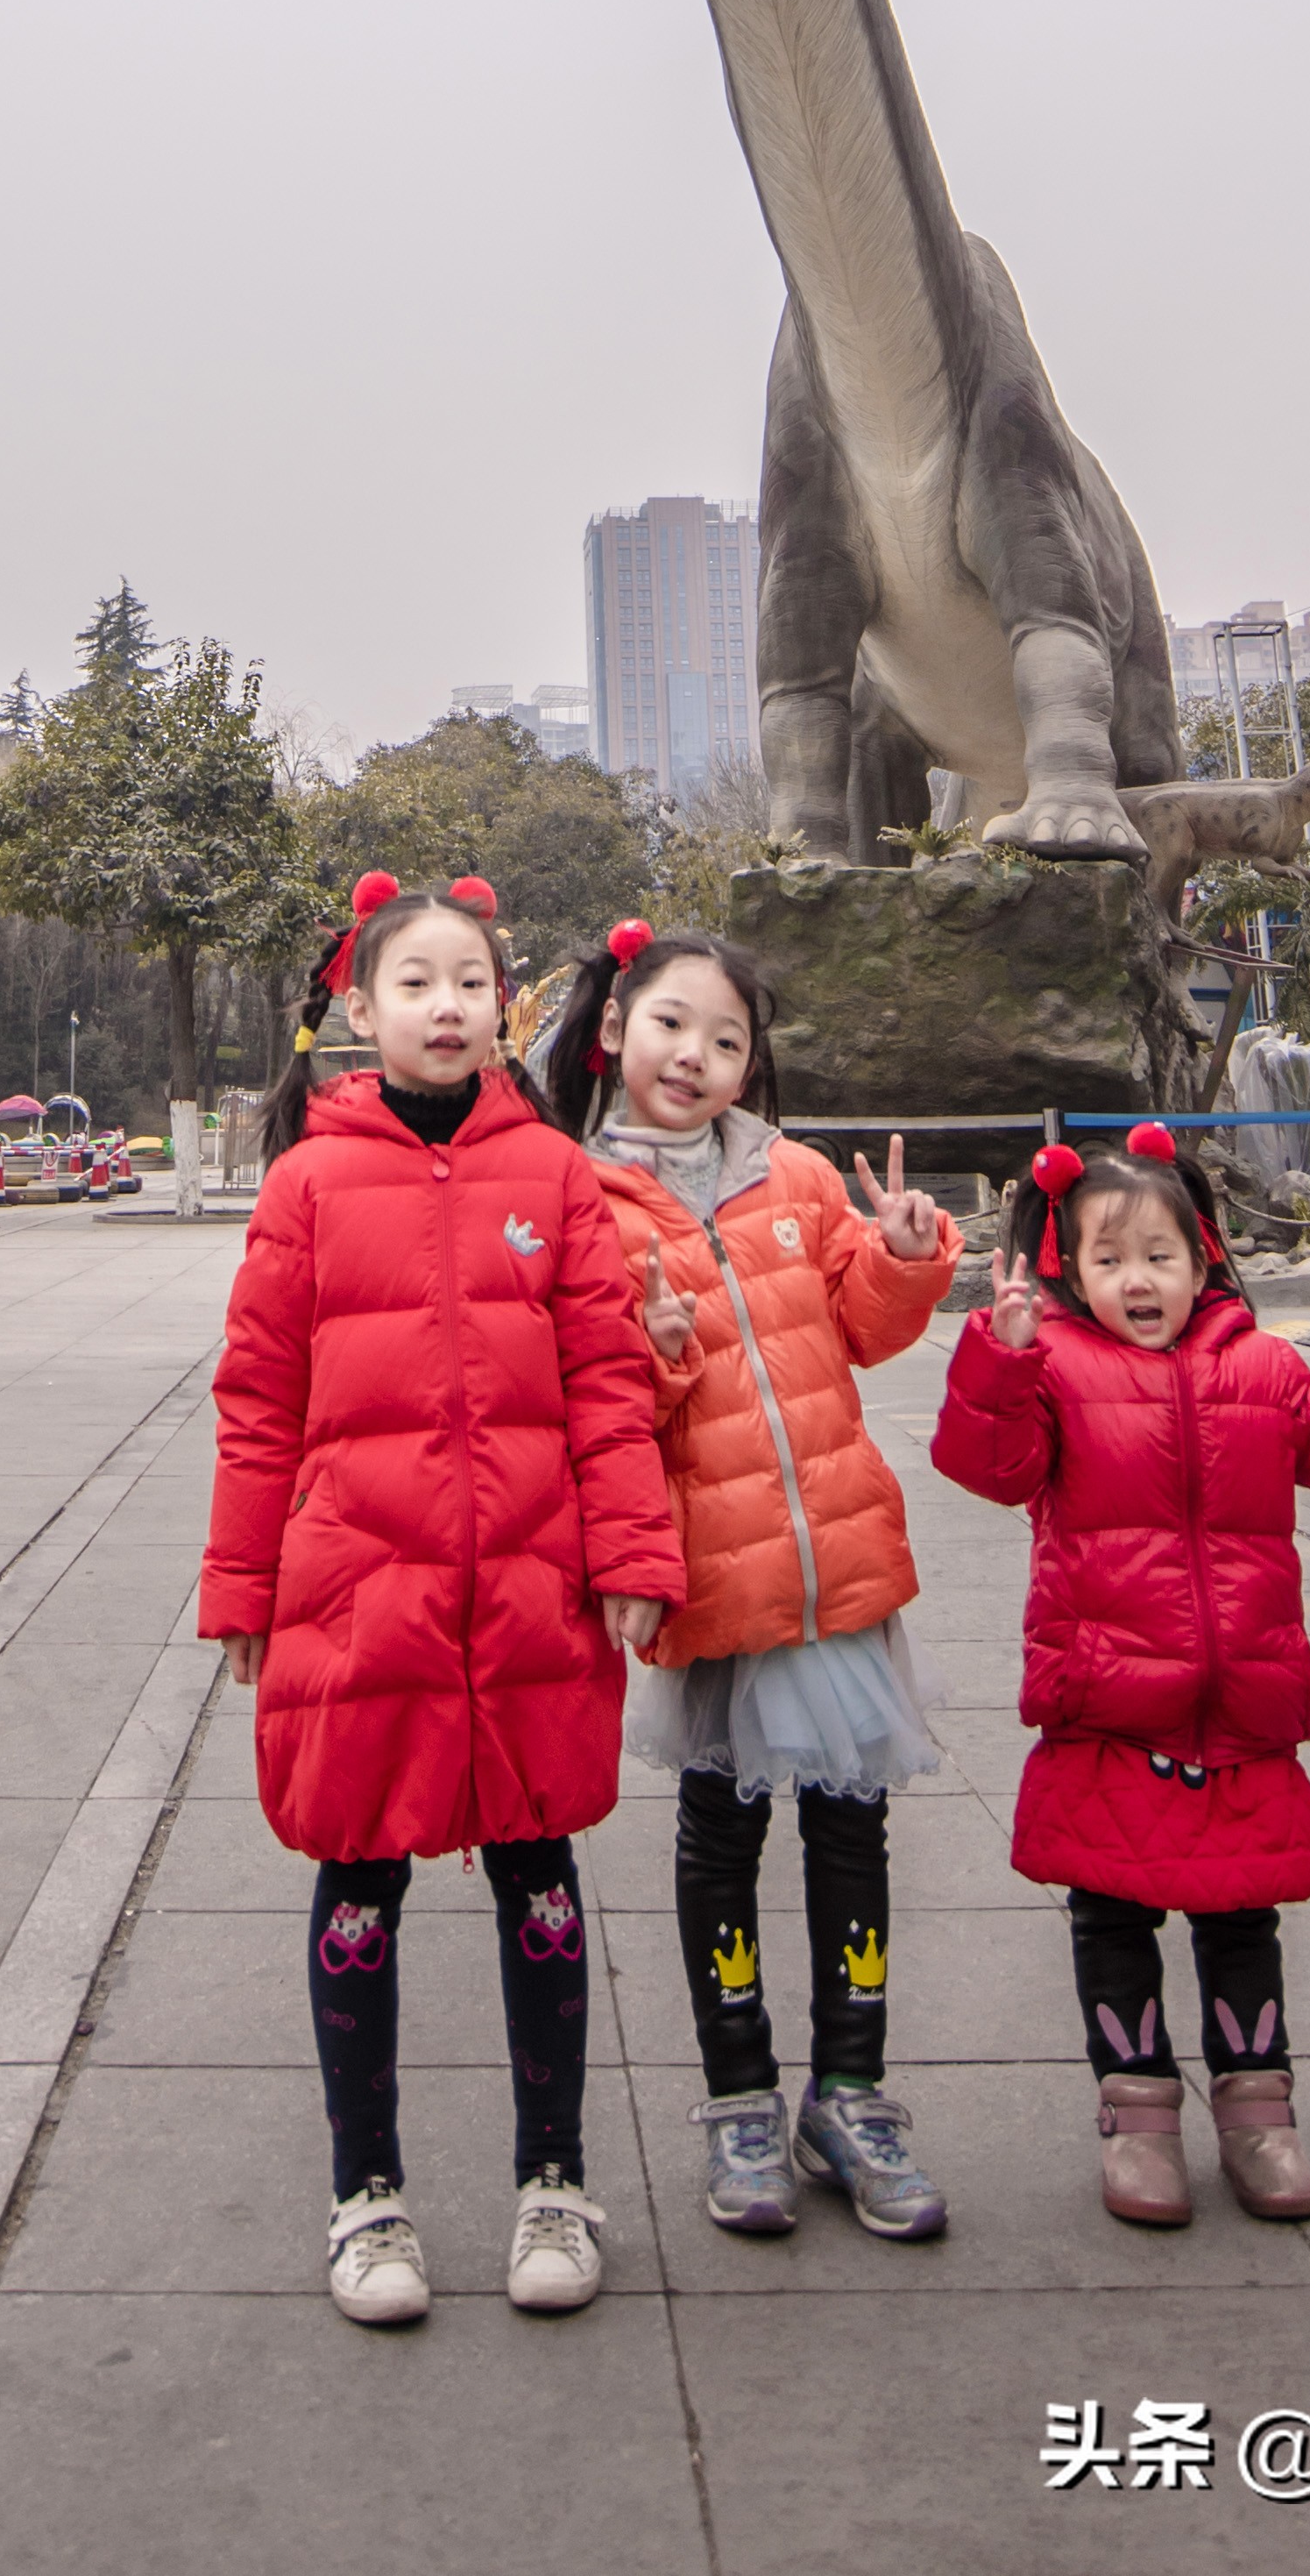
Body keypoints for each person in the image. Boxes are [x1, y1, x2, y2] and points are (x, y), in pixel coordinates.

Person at [202, 869, 682, 2331]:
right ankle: (370, 2200)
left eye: (470, 981)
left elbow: (606, 1380)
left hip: (531, 1585)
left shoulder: (551, 1177)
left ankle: (555, 2180)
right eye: (415, 982)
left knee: (541, 1879)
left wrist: (632, 1556)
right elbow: (256, 1402)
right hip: (359, 1592)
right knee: (360, 1876)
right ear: (359, 1007)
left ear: (505, 1003)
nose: (447, 1006)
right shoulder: (305, 1182)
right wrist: (240, 1587)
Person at [533, 913, 959, 2242]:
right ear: (613, 1031)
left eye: (728, 1040)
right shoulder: (576, 1196)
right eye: (672, 1025)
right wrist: (653, 1352)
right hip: (710, 1575)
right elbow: (588, 1403)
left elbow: (862, 1332)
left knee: (851, 1832)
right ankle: (740, 2103)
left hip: (834, 1564)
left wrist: (902, 1257)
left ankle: (854, 2090)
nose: (697, 1056)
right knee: (720, 1842)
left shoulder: (799, 1177)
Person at [931, 1116, 1310, 2231]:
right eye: (1105, 1260)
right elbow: (989, 1468)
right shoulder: (1052, 1367)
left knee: (1240, 1918)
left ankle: (1260, 2115)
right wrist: (998, 1360)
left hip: (1241, 1701)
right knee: (1110, 1916)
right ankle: (1137, 2112)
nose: (1134, 1279)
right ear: (1067, 1270)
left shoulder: (1259, 1363)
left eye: (1157, 1254)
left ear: (1203, 1256)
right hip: (1107, 1700)